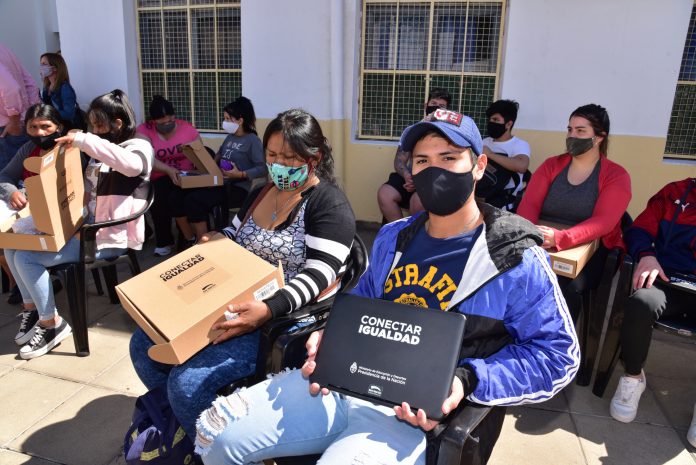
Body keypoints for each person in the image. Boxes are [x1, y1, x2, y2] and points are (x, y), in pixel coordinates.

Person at [195, 110, 580, 465]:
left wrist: (468, 380)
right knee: (219, 436)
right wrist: (331, 335)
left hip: (416, 416)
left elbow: (557, 355)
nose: (435, 171)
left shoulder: (513, 258)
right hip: (344, 384)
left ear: (478, 166)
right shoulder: (394, 237)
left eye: (449, 158)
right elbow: (363, 300)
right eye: (422, 161)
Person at [129, 108, 356, 441]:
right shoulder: (262, 192)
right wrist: (215, 237)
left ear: (315, 157)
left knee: (187, 383)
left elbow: (320, 273)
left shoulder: (328, 204)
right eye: (273, 155)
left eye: (291, 157)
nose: (279, 164)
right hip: (233, 302)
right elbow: (236, 233)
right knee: (142, 345)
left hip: (281, 320)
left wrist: (268, 309)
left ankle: (218, 446)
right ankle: (197, 427)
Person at [4, 90, 153, 359]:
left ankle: (52, 324)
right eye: (91, 126)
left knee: (27, 257)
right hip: (85, 229)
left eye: (98, 125)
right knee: (14, 248)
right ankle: (33, 310)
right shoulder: (101, 151)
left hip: (107, 237)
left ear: (117, 124)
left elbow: (132, 167)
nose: (94, 131)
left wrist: (84, 140)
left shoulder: (138, 146)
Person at [517, 104, 631, 320]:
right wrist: (529, 234)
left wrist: (561, 238)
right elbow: (529, 204)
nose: (572, 135)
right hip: (540, 239)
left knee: (565, 287)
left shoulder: (616, 175)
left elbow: (603, 222)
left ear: (598, 138)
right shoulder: (552, 165)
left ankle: (558, 346)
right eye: (570, 129)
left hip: (591, 247)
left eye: (580, 131)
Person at [607, 178, 695, 439]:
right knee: (640, 304)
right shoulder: (675, 192)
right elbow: (639, 229)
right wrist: (647, 254)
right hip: (669, 281)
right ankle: (634, 377)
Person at [0, 103, 66, 306]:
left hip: (60, 215)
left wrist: (27, 192)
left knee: (19, 248)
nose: (39, 133)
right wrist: (12, 192)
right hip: (28, 210)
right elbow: (6, 175)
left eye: (45, 126)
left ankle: (34, 288)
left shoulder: (67, 149)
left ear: (58, 127)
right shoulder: (29, 148)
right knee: (7, 240)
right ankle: (20, 287)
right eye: (33, 127)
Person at [184, 96, 266, 240]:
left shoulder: (253, 141)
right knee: (188, 197)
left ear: (240, 120)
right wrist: (205, 162)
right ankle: (202, 238)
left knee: (195, 200)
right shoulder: (230, 137)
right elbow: (219, 154)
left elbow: (262, 168)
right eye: (225, 118)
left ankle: (209, 242)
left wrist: (240, 174)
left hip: (238, 188)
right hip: (219, 183)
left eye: (228, 119)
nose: (225, 122)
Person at [136, 95, 202, 256]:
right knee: (158, 198)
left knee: (179, 198)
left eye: (170, 120)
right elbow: (147, 158)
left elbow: (200, 152)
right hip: (159, 176)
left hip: (186, 175)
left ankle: (185, 237)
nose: (167, 124)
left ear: (174, 116)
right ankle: (164, 240)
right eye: (162, 123)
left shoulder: (187, 129)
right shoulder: (143, 131)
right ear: (153, 121)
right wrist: (168, 170)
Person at [377, 87, 451, 223]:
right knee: (385, 193)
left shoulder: (451, 134)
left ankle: (416, 236)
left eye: (442, 106)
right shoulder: (413, 131)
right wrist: (407, 176)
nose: (436, 109)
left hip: (435, 180)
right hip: (413, 178)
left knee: (417, 202)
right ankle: (400, 234)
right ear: (426, 105)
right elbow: (399, 161)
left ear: (448, 111)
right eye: (433, 104)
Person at [476, 99, 531, 211]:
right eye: (490, 119)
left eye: (496, 119)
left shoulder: (519, 145)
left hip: (505, 205)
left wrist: (490, 154)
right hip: (480, 199)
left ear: (508, 124)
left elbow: (522, 166)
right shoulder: (485, 141)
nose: (491, 122)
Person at [0, 43, 40, 170]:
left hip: (8, 127)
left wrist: (14, 120)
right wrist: (31, 114)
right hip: (18, 122)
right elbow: (30, 83)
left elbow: (11, 88)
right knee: (26, 173)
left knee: (10, 178)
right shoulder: (4, 48)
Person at [39, 52, 82, 130]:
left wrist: (48, 113)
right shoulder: (47, 87)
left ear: (55, 68)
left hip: (69, 128)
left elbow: (69, 114)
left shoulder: (65, 88)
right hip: (56, 125)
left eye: (44, 64)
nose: (41, 67)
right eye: (41, 64)